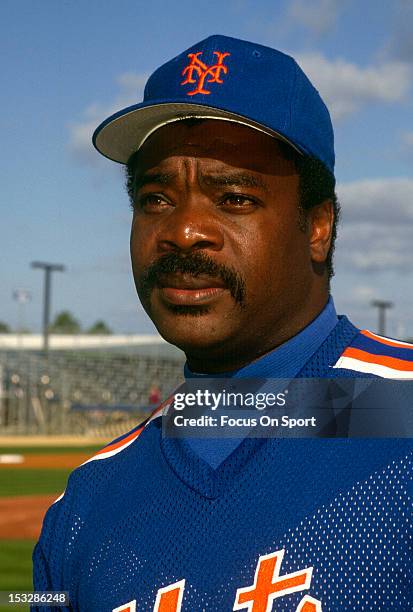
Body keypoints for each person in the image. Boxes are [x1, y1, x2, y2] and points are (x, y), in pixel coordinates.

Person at [33, 35, 413, 611]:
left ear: (318, 226)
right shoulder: (85, 505)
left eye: (234, 198)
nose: (183, 231)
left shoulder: (399, 414)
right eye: (155, 199)